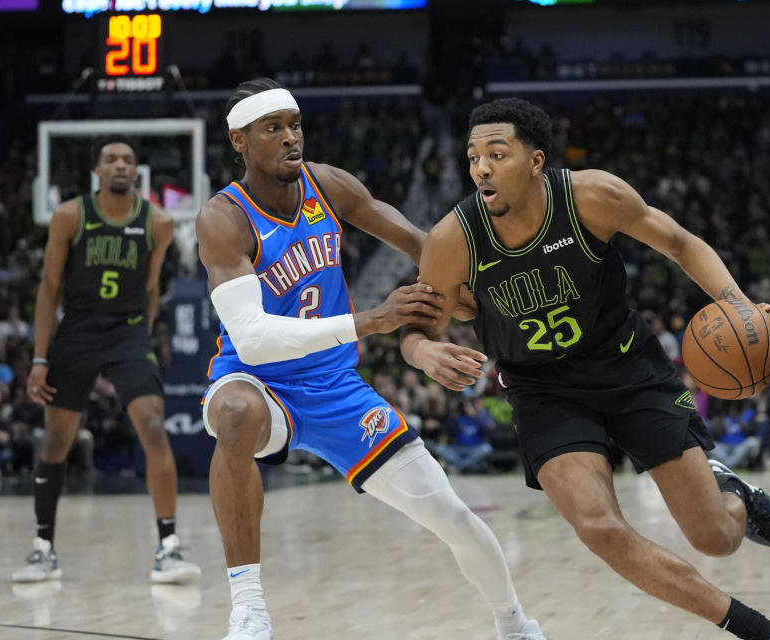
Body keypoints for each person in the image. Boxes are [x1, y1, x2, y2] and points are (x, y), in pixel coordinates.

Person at [401, 98, 770, 640]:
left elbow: (682, 245)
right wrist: (424, 351)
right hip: (542, 390)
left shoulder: (592, 196)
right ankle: (758, 630)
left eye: (497, 154)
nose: (482, 168)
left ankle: (731, 492)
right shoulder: (455, 239)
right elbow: (416, 328)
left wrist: (742, 307)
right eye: (473, 156)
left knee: (716, 537)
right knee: (598, 526)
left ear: (537, 161)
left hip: (628, 366)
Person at [196, 79, 544, 640]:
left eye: (295, 125)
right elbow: (255, 339)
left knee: (452, 516)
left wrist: (471, 292)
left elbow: (418, 242)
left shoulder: (326, 184)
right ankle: (249, 609)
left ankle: (515, 624)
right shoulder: (223, 218)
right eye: (273, 128)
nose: (291, 138)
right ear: (239, 140)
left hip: (336, 387)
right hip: (256, 382)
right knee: (236, 412)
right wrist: (372, 321)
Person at [13, 135, 200, 585]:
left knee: (153, 425)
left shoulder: (157, 222)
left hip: (128, 333)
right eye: (111, 159)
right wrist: (40, 358)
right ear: (97, 171)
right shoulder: (69, 216)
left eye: (128, 160)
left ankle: (169, 547)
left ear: (136, 172)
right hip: (77, 332)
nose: (120, 165)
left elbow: (153, 287)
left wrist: (141, 335)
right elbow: (48, 288)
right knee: (57, 441)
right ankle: (43, 549)